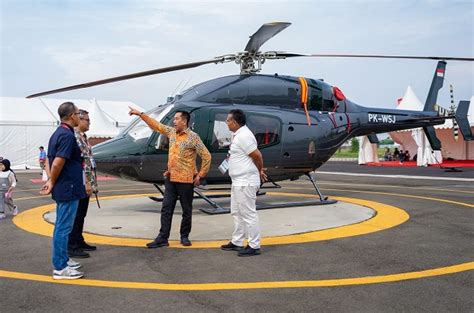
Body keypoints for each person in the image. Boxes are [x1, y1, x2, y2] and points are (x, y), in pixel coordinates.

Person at [128, 107, 211, 248]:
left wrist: (200, 175)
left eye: (177, 119)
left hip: (186, 180)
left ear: (184, 121)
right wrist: (141, 114)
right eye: (174, 119)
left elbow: (206, 156)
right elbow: (157, 125)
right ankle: (162, 237)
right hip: (171, 178)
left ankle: (184, 236)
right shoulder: (172, 132)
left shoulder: (193, 137)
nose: (174, 121)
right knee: (166, 208)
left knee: (186, 210)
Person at [41, 101, 85, 280]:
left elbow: (48, 161)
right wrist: (52, 180)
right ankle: (60, 267)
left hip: (66, 187)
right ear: (72, 116)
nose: (79, 117)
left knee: (63, 226)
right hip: (68, 188)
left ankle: (64, 259)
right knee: (63, 227)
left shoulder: (58, 133)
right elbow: (58, 162)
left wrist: (52, 180)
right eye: (78, 114)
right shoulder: (67, 136)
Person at [221, 109, 267, 257]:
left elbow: (257, 155)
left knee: (248, 214)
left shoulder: (244, 136)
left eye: (228, 120)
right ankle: (237, 241)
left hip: (245, 181)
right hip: (237, 181)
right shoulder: (237, 135)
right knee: (236, 212)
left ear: (234, 122)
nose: (226, 122)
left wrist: (259, 171)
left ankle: (254, 245)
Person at [68, 109, 98, 259]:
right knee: (77, 214)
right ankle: (72, 245)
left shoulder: (83, 137)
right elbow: (80, 163)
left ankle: (79, 240)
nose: (89, 122)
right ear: (79, 120)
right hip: (80, 183)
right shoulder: (74, 137)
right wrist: (86, 182)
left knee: (82, 214)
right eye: (87, 120)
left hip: (87, 182)